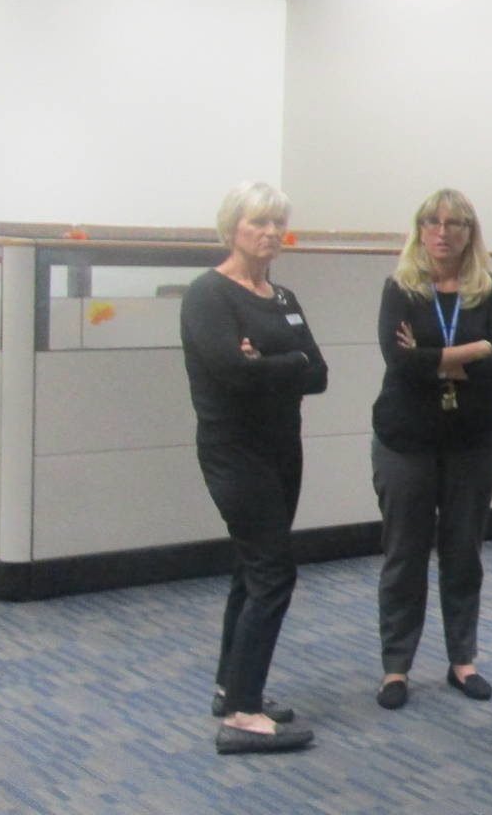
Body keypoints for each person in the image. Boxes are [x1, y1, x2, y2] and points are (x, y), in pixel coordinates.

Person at [179, 181, 327, 755]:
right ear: (231, 228)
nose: (269, 233)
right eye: (256, 222)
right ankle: (242, 715)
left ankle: (232, 686)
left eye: (276, 223)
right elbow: (228, 374)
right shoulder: (207, 295)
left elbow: (319, 373)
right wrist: (284, 365)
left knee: (250, 568)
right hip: (233, 452)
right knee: (273, 574)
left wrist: (270, 360)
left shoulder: (282, 297)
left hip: (281, 450)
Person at [369, 188, 492, 710]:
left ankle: (463, 661)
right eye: (432, 222)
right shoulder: (401, 288)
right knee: (404, 554)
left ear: (469, 232)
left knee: (463, 553)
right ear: (419, 229)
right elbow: (399, 361)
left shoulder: (491, 290)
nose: (442, 232)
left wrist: (433, 356)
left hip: (475, 441)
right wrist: (471, 351)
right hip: (406, 440)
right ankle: (396, 668)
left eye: (455, 223)